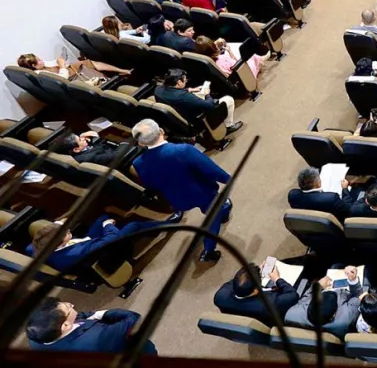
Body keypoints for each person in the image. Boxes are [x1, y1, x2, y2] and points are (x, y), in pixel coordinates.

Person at [130, 119, 233, 262]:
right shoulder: (184, 150)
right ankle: (209, 250)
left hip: (177, 199)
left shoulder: (138, 163)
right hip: (203, 193)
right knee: (214, 215)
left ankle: (223, 212)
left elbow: (151, 184)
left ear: (141, 143)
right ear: (161, 131)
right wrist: (228, 179)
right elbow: (211, 170)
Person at [28, 212, 179, 273]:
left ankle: (143, 230)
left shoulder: (39, 247)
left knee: (102, 217)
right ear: (60, 244)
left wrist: (58, 225)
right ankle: (166, 225)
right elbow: (110, 240)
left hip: (86, 244)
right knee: (132, 226)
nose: (68, 230)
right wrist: (108, 226)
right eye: (65, 233)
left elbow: (31, 246)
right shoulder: (75, 253)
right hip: (104, 257)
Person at [26, 298, 157, 353]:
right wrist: (106, 313)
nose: (72, 304)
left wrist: (96, 315)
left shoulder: (36, 338)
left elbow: (80, 316)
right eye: (68, 307)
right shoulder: (98, 338)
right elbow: (133, 318)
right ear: (65, 326)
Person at [285, 266, 366, 338]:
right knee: (336, 266)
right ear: (334, 315)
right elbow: (357, 296)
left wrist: (319, 285)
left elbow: (304, 299)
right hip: (345, 291)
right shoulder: (345, 318)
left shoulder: (292, 315)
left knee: (335, 266)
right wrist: (353, 280)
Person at [154, 68, 241, 134]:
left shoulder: (158, 89)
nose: (186, 81)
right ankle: (229, 126)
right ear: (179, 82)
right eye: (185, 79)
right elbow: (210, 106)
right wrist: (207, 94)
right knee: (229, 99)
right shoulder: (183, 96)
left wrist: (190, 90)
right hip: (196, 119)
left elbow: (173, 92)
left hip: (179, 116)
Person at [214, 263, 300, 326]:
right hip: (274, 319)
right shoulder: (269, 303)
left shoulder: (220, 296)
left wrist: (256, 271)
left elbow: (236, 281)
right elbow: (293, 295)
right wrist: (277, 279)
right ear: (255, 290)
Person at [289, 167, 356, 221]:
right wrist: (345, 188)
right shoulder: (331, 198)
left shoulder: (292, 195)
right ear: (317, 184)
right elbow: (348, 209)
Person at [196, 35, 265, 79]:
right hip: (244, 77)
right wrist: (229, 51)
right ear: (213, 47)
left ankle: (261, 61)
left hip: (233, 79)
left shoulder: (205, 63)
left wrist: (228, 51)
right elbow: (240, 66)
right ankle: (261, 60)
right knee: (252, 56)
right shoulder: (222, 59)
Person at [53, 129, 130, 166]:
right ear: (76, 149)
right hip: (119, 160)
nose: (83, 138)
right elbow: (115, 156)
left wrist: (85, 136)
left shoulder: (73, 149)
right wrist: (124, 144)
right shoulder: (90, 158)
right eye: (80, 139)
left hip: (106, 149)